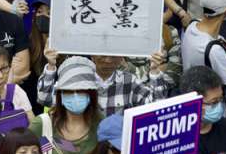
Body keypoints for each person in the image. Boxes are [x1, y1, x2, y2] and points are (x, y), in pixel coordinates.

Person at [38, 46, 168, 117]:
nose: (108, 60)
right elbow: (45, 99)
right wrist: (50, 65)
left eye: (113, 56)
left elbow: (157, 107)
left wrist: (155, 70)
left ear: (122, 57)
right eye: (103, 55)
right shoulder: (78, 78)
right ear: (92, 55)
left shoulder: (130, 81)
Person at [29, 56, 102, 154]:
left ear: (91, 94)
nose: (75, 96)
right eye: (68, 91)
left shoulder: (101, 124)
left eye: (81, 91)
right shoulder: (43, 125)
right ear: (60, 95)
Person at [179, 66, 226, 154]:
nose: (219, 105)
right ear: (194, 104)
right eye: (214, 102)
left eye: (221, 99)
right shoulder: (179, 141)